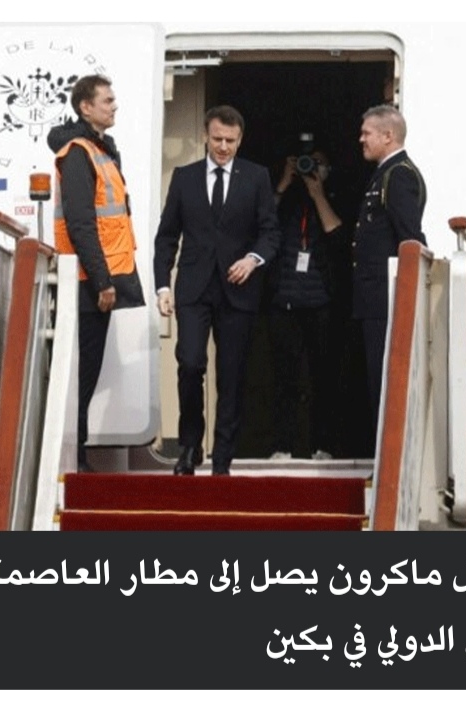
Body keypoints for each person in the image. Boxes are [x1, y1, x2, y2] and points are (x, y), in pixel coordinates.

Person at [153, 105, 281, 476]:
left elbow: (270, 232)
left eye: (230, 140)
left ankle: (222, 458)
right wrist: (163, 285)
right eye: (217, 139)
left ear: (240, 140)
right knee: (190, 363)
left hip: (238, 290)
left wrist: (253, 259)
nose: (223, 147)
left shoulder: (256, 177)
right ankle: (190, 445)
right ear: (205, 136)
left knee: (232, 374)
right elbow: (166, 237)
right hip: (193, 289)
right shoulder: (185, 177)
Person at [48, 75, 145, 473]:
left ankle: (79, 454)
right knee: (81, 373)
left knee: (87, 371)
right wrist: (102, 281)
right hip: (88, 283)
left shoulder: (100, 149)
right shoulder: (78, 153)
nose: (114, 105)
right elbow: (81, 224)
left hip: (97, 278)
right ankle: (75, 457)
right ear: (85, 107)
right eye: (107, 100)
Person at [352, 104, 427, 453]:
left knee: (383, 382)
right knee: (373, 381)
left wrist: (409, 296)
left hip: (387, 299)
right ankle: (380, 457)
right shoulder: (385, 173)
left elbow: (410, 238)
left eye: (367, 133)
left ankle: (386, 459)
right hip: (373, 298)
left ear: (388, 136)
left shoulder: (398, 176)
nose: (361, 139)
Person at [268, 144, 343, 461]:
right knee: (284, 378)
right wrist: (284, 183)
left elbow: (337, 237)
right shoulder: (284, 200)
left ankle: (322, 446)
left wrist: (318, 194)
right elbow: (261, 224)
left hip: (320, 303)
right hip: (284, 302)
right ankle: (282, 446)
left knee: (321, 378)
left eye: (317, 163)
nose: (309, 168)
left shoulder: (333, 197)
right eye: (304, 163)